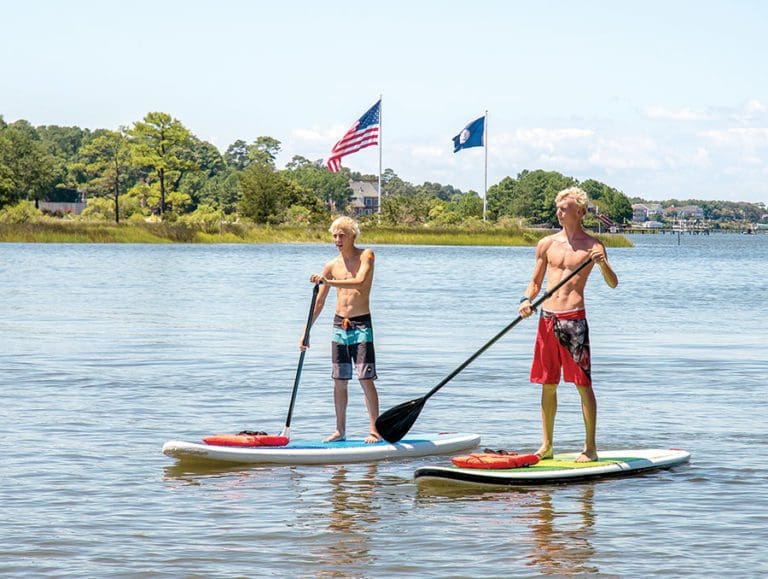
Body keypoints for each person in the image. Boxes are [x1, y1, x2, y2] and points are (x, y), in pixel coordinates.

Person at [518, 186, 618, 462]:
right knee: (547, 384)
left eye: (565, 208)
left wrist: (603, 265)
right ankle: (546, 445)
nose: (559, 212)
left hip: (574, 320)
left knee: (582, 384)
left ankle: (590, 448)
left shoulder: (593, 246)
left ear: (580, 212)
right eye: (558, 208)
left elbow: (613, 283)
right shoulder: (547, 244)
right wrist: (526, 300)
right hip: (547, 318)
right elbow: (535, 282)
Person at [304, 216, 381, 443]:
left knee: (365, 378)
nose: (337, 240)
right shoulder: (331, 265)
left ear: (352, 236)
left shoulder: (367, 254)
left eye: (342, 235)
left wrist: (327, 282)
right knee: (339, 380)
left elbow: (359, 281)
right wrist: (306, 331)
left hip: (361, 324)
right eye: (335, 236)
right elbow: (319, 302)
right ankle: (340, 430)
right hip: (339, 325)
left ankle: (374, 430)